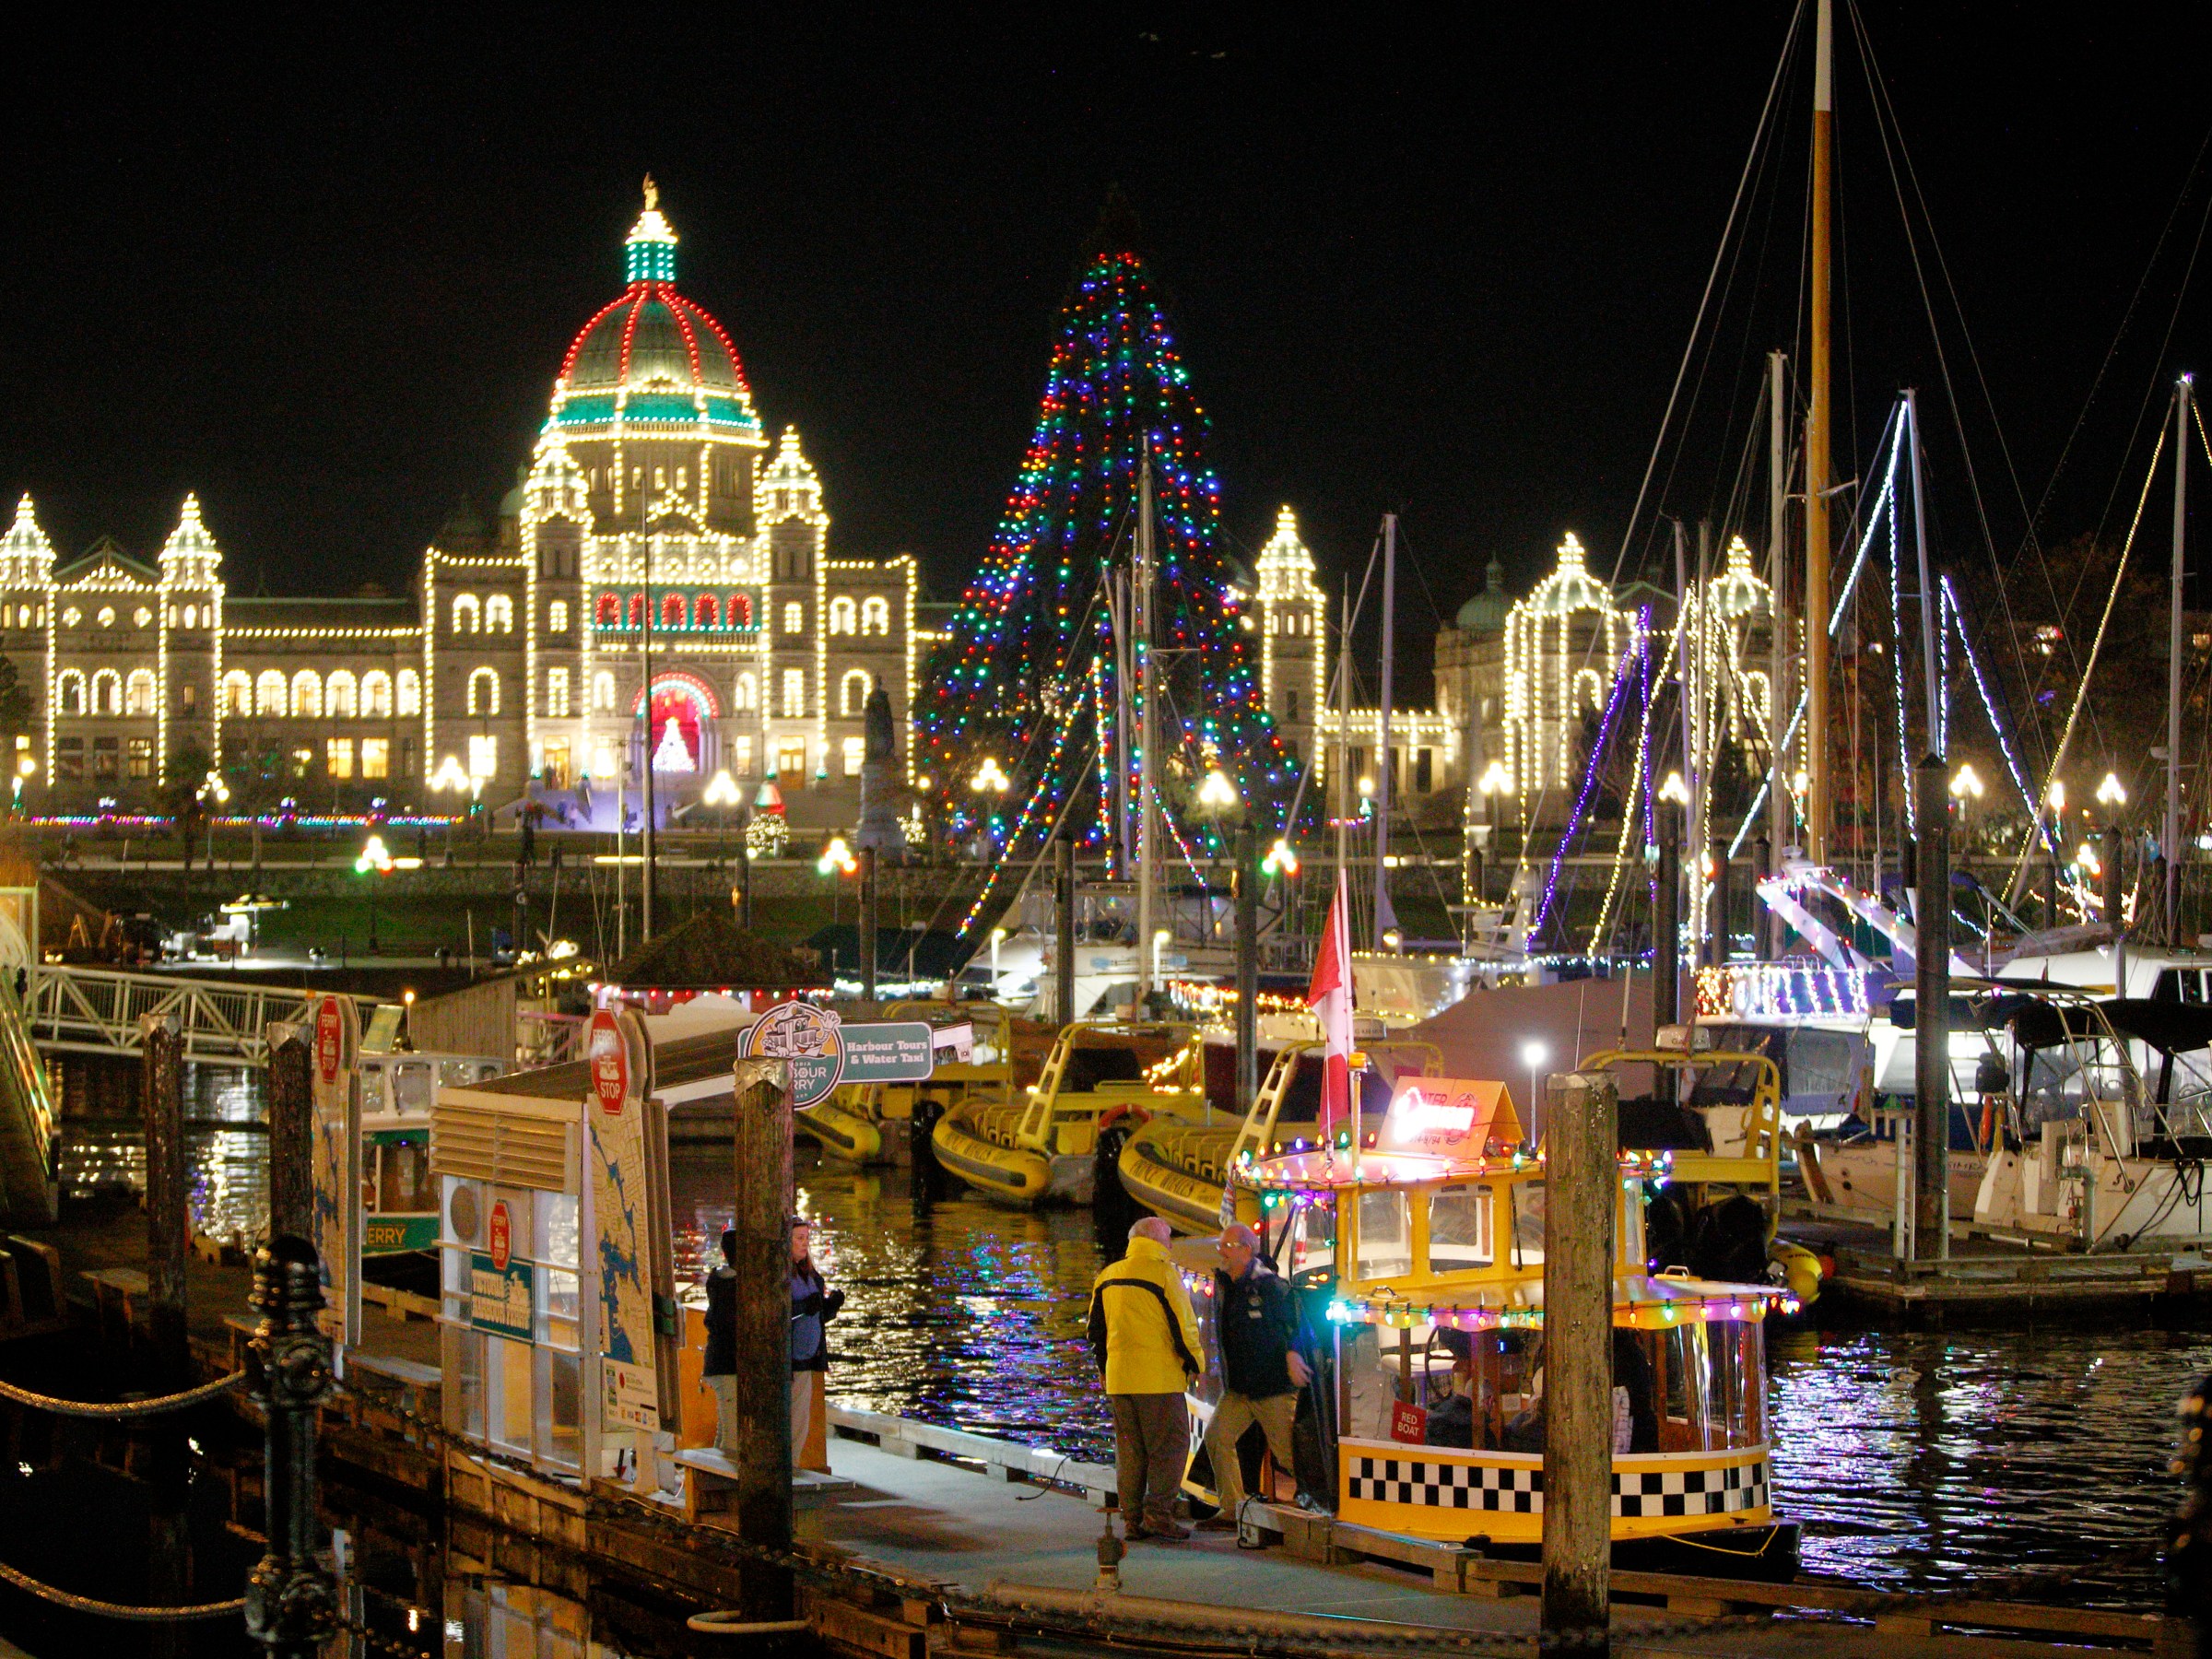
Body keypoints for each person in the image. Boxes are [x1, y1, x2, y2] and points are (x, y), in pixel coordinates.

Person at [1087, 1216, 1204, 1541]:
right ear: (1156, 1241)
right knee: (1171, 1445)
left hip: (1119, 1379)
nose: (1170, 1243)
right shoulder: (1164, 1274)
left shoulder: (1108, 1276)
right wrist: (1197, 1364)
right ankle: (1159, 1514)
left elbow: (1095, 1330)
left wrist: (1105, 1368)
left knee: (1130, 1449)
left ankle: (1132, 1519)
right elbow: (1184, 1326)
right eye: (1167, 1237)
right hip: (1158, 1379)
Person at [1194, 1222, 1310, 1531]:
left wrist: (1292, 1353)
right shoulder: (1226, 1284)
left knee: (1287, 1453)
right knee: (1217, 1437)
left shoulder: (1270, 1285)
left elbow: (1294, 1323)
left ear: (1247, 1249)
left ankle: (1320, 1500)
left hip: (1271, 1387)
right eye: (1221, 1246)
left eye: (1227, 1246)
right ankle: (1231, 1508)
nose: (1221, 1252)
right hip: (1240, 1389)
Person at [789, 1218, 844, 1465]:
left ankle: (793, 1465)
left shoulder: (809, 1273)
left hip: (807, 1358)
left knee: (800, 1421)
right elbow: (780, 1313)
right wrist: (804, 1307)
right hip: (791, 1360)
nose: (804, 1244)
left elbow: (816, 1315)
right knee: (793, 1419)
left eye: (807, 1238)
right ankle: (789, 1468)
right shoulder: (784, 1275)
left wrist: (831, 1306)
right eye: (799, 1238)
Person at [701, 1229, 740, 1454]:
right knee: (731, 1437)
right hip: (727, 1364)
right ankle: (725, 1482)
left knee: (724, 1428)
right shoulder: (732, 1286)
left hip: (719, 1361)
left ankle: (709, 1479)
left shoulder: (717, 1281)